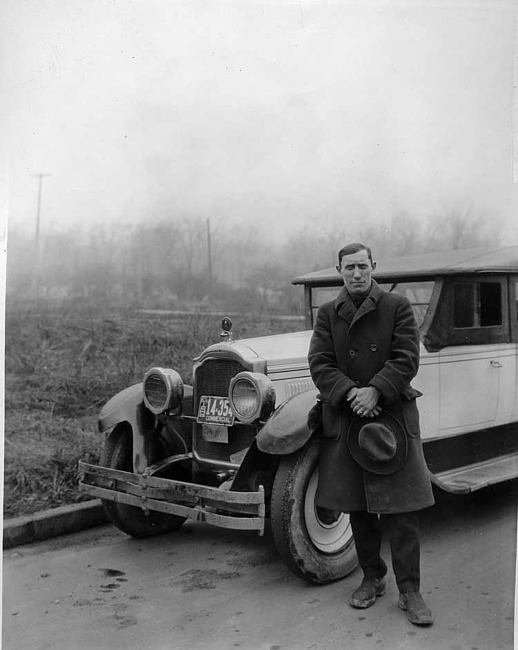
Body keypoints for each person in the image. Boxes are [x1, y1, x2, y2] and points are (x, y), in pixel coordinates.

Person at [308, 242, 435, 626]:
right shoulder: (329, 314)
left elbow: (407, 357)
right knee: (359, 508)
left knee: (403, 512)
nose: (357, 274)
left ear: (373, 266)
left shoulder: (397, 307)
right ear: (339, 270)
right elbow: (319, 362)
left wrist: (375, 390)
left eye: (363, 266)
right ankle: (372, 578)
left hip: (391, 417)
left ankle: (410, 590)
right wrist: (350, 393)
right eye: (350, 268)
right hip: (348, 419)